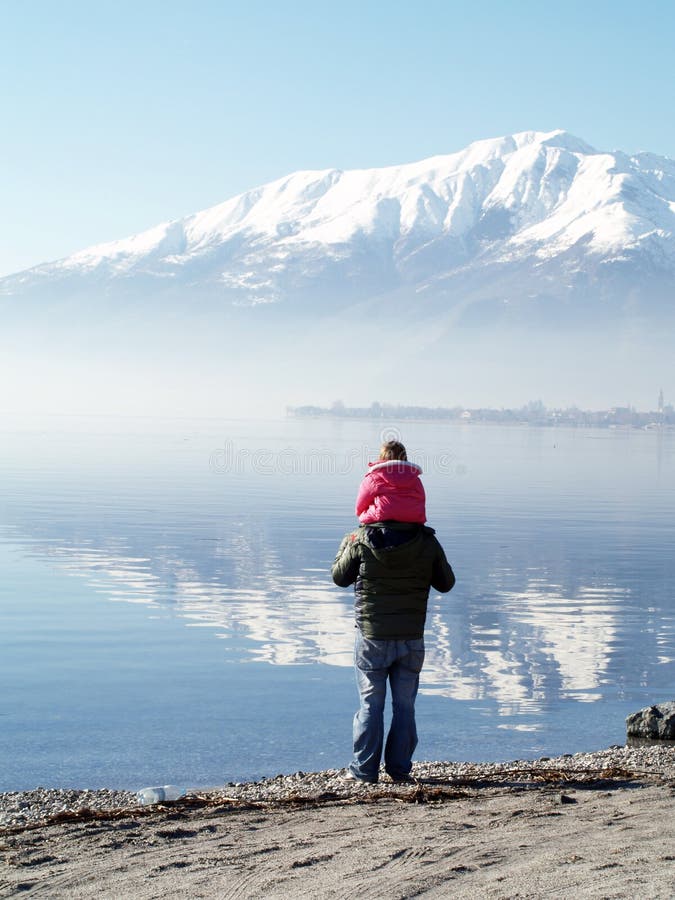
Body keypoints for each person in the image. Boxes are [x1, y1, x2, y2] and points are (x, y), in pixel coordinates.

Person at [331, 510, 455, 784]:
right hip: (411, 637)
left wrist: (348, 542)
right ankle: (399, 770)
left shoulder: (359, 539)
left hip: (372, 637)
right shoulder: (426, 541)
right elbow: (446, 583)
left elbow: (339, 577)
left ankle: (364, 771)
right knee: (405, 706)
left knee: (370, 705)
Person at [355, 440, 426, 524]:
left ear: (382, 457)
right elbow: (421, 499)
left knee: (362, 516)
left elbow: (360, 506)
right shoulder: (415, 478)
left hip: (383, 515)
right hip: (414, 517)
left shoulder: (373, 478)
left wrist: (361, 514)